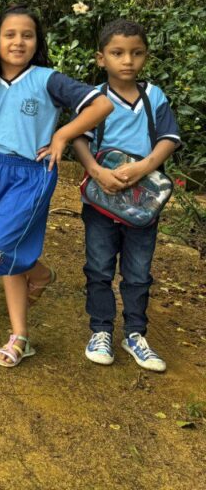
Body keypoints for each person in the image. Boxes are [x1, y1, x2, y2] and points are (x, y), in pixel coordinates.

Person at [0, 6, 112, 367]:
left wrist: (62, 135)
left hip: (32, 172)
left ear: (37, 42)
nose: (18, 41)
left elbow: (101, 104)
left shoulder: (47, 79)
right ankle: (20, 336)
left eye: (27, 35)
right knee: (9, 254)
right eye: (9, 34)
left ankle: (40, 273)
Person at [72, 19, 180, 372]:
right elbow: (79, 139)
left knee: (138, 272)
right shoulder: (94, 98)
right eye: (117, 53)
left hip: (143, 206)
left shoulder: (154, 97)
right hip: (101, 202)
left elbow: (169, 138)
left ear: (146, 56)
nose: (128, 61)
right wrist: (97, 172)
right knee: (99, 268)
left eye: (136, 53)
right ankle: (100, 330)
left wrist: (143, 167)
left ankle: (135, 334)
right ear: (101, 58)